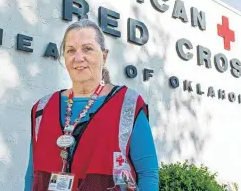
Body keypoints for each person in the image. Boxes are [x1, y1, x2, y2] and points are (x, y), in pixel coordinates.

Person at [24, 18, 159, 191]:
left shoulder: (128, 104)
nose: (78, 57)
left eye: (87, 49)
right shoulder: (42, 108)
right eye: (70, 50)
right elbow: (32, 175)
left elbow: (148, 174)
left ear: (104, 56)